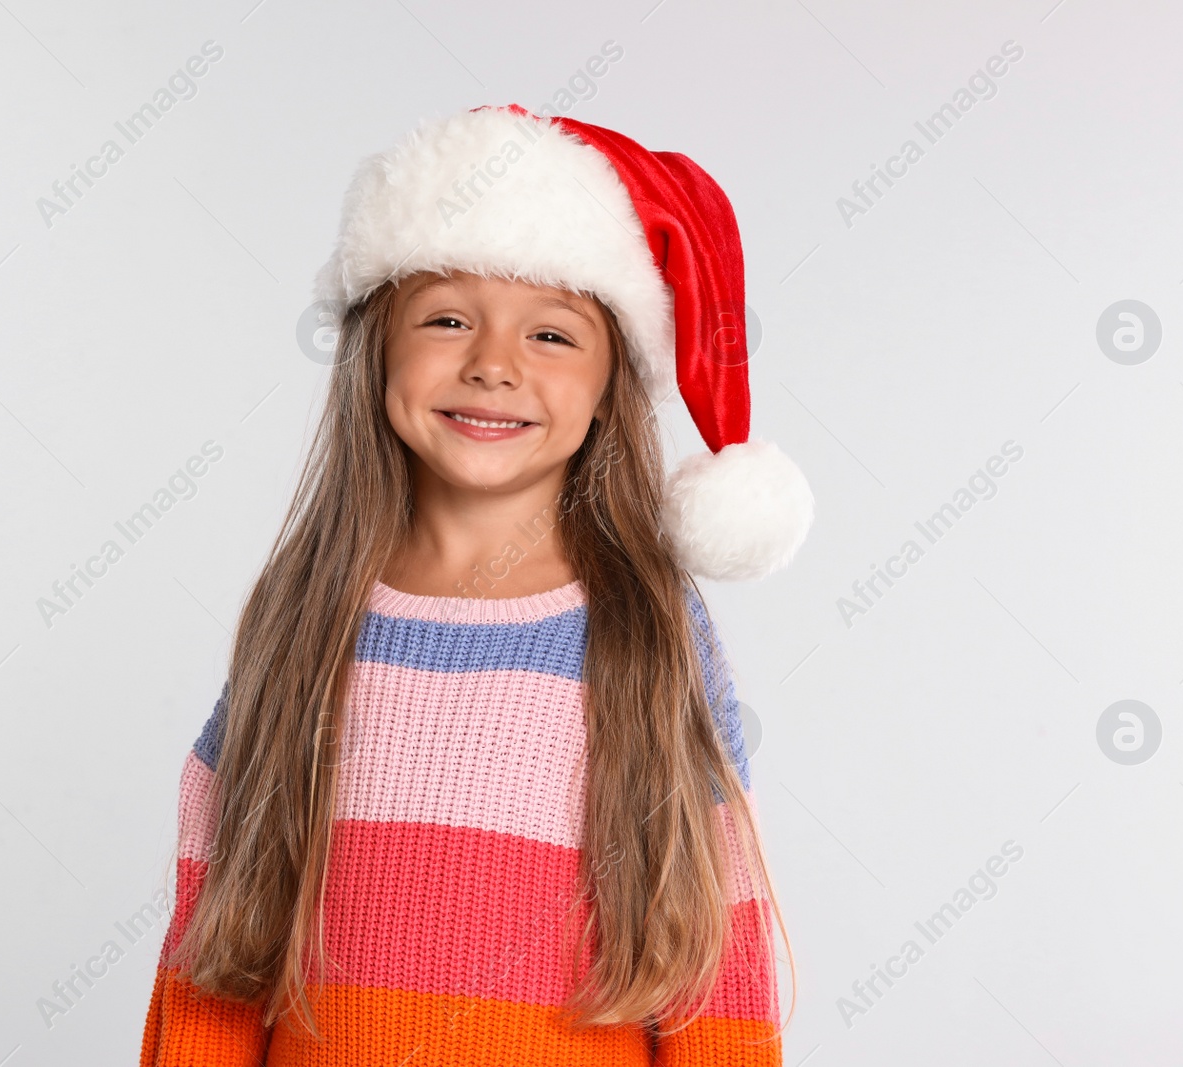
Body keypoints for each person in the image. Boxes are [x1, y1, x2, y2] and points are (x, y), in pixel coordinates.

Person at [139, 102, 815, 1065]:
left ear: (610, 381)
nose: (493, 364)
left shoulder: (645, 633)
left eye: (552, 335)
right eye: (448, 318)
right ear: (377, 348)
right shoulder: (305, 618)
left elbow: (717, 966)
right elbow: (217, 944)